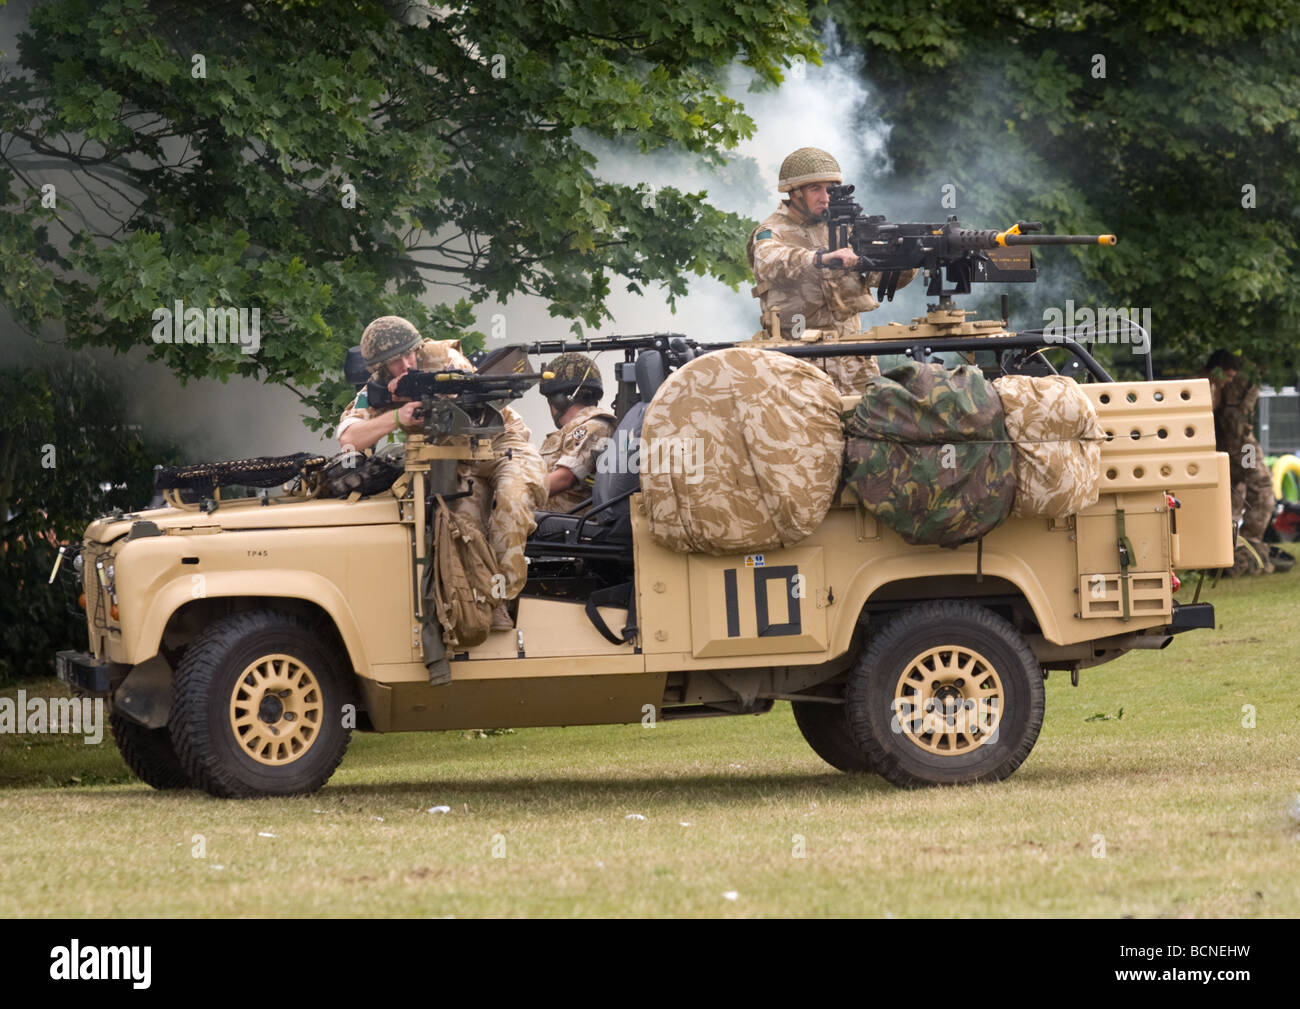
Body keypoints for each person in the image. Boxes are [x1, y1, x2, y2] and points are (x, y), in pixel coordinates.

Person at [339, 316, 547, 626]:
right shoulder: (376, 389)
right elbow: (349, 438)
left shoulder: (443, 358)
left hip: (503, 443)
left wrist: (424, 395)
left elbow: (471, 405)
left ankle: (504, 598)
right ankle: (477, 607)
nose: (408, 363)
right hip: (459, 462)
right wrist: (397, 416)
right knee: (458, 530)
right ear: (380, 369)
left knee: (512, 501)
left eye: (411, 353)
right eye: (396, 361)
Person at [746, 146, 915, 396]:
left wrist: (905, 258)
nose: (826, 197)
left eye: (830, 188)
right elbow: (768, 261)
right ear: (794, 193)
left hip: (854, 359)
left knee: (870, 427)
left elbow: (877, 277)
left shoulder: (845, 230)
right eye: (816, 188)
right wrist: (820, 257)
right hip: (798, 358)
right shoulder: (772, 231)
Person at [1204, 349, 1276, 574]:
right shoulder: (1208, 387)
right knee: (1259, 485)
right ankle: (1246, 544)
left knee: (1237, 490)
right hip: (1239, 446)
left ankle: (1239, 547)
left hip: (1233, 447)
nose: (1231, 381)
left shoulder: (1217, 387)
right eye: (1229, 376)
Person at [536, 353, 617, 514]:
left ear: (560, 399)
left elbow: (565, 478)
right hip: (550, 525)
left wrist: (514, 494)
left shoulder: (594, 426)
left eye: (550, 400)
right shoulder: (573, 431)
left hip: (566, 529)